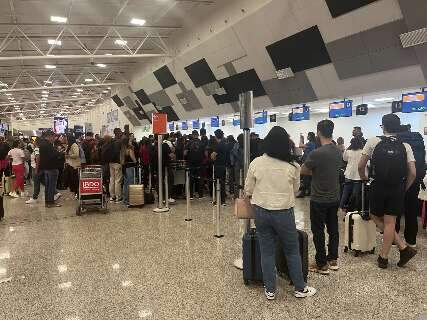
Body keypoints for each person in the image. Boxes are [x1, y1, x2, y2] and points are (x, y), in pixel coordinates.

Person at [245, 126, 317, 300]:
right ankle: (300, 288)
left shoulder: (256, 162)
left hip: (261, 211)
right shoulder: (293, 166)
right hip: (283, 212)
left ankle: (270, 289)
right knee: (291, 250)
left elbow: (248, 189)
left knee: (267, 250)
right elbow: (295, 189)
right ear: (286, 144)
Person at [358, 114, 417, 269]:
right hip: (397, 187)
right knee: (390, 222)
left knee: (374, 215)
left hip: (378, 185)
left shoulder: (373, 141)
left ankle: (396, 251)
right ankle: (395, 252)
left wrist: (364, 179)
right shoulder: (405, 146)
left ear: (383, 126)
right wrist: (404, 187)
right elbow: (413, 172)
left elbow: (360, 165)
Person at [301, 120, 342, 274]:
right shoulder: (338, 151)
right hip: (334, 196)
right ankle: (333, 259)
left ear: (318, 132)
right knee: (333, 229)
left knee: (318, 231)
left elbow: (303, 170)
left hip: (318, 198)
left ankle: (321, 264)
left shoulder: (316, 153)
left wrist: (317, 172)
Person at [395, 124, 426, 247]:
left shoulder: (399, 140)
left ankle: (394, 238)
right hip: (416, 180)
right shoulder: (418, 140)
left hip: (400, 179)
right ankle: (411, 240)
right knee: (411, 211)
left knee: (395, 210)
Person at [339, 137, 367, 212]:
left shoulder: (348, 151)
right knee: (355, 195)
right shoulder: (363, 152)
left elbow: (344, 159)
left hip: (348, 175)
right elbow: (367, 164)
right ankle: (354, 209)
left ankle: (341, 206)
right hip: (359, 176)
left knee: (345, 192)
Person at [39, 131, 62, 208]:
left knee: (48, 186)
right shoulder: (48, 145)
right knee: (51, 186)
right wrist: (59, 152)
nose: (54, 139)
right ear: (49, 136)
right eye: (53, 137)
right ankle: (50, 202)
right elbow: (53, 155)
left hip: (46, 168)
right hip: (51, 168)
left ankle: (47, 202)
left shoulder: (42, 144)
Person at [185, 130, 205, 199]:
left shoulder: (189, 143)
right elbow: (205, 154)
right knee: (200, 179)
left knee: (191, 179)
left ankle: (190, 195)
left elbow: (185, 153)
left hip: (191, 164)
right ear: (198, 135)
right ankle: (200, 195)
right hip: (200, 163)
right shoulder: (202, 143)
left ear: (192, 135)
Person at [297, 132, 317, 198]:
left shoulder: (310, 143)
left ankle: (302, 192)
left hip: (307, 162)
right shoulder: (313, 144)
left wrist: (301, 138)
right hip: (311, 161)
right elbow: (304, 149)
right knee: (308, 177)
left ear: (310, 136)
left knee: (306, 177)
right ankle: (308, 192)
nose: (307, 137)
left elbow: (300, 146)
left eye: (308, 136)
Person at [211, 129, 227, 205]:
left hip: (218, 166)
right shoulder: (225, 144)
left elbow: (213, 156)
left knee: (217, 183)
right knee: (222, 183)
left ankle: (218, 200)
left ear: (216, 136)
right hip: (224, 165)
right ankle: (223, 201)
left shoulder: (218, 145)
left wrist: (213, 157)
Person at [109, 128, 124, 203]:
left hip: (110, 162)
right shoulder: (120, 141)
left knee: (112, 179)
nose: (121, 133)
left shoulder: (111, 140)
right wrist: (122, 162)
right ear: (118, 133)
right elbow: (122, 152)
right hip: (117, 163)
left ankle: (112, 196)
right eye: (120, 132)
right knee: (118, 180)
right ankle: (118, 197)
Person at [122, 137, 137, 207]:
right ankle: (129, 200)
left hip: (124, 168)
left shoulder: (122, 150)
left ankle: (125, 199)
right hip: (130, 167)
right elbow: (134, 159)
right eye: (130, 141)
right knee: (130, 184)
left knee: (125, 184)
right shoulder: (129, 150)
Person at [26, 139, 41, 204]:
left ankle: (34, 198)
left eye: (34, 141)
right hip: (35, 167)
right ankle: (55, 192)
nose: (33, 142)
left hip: (35, 168)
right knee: (41, 182)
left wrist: (36, 169)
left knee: (36, 183)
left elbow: (37, 159)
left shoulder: (36, 149)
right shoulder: (36, 149)